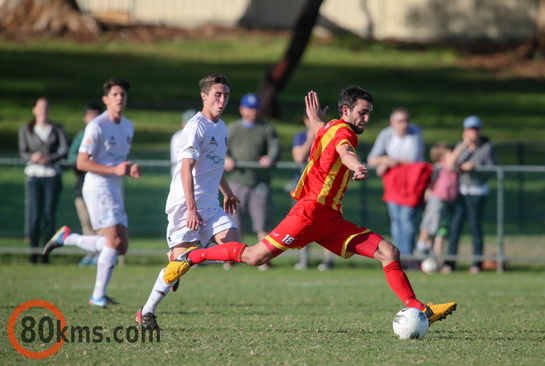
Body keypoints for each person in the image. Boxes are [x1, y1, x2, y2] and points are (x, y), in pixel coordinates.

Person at [164, 87, 457, 326]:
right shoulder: (344, 134)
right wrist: (357, 166)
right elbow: (345, 152)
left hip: (330, 219)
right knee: (254, 257)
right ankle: (192, 257)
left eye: (369, 113)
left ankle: (421, 309)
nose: (366, 118)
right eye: (362, 112)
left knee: (389, 252)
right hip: (309, 213)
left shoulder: (330, 127)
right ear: (346, 111)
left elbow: (322, 130)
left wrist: (315, 118)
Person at [135, 73, 241, 330]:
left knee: (233, 246)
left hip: (211, 204)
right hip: (185, 204)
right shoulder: (196, 126)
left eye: (226, 95)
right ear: (204, 96)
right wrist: (191, 209)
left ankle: (185, 256)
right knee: (181, 265)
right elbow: (186, 169)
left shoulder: (221, 126)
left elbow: (214, 167)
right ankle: (146, 311)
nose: (223, 100)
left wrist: (226, 192)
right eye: (218, 94)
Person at [43, 78, 141, 306]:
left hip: (113, 186)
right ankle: (98, 295)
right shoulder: (96, 125)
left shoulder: (128, 126)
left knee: (121, 245)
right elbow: (81, 162)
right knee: (113, 241)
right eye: (115, 95)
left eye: (122, 95)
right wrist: (114, 169)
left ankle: (67, 238)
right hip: (97, 187)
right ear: (106, 100)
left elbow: (118, 160)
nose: (119, 98)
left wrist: (128, 168)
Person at [223, 93, 281, 270]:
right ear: (242, 109)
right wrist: (226, 159)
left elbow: (275, 147)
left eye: (255, 108)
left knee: (262, 223)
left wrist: (269, 158)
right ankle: (232, 257)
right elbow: (220, 147)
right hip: (236, 182)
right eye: (249, 108)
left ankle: (263, 259)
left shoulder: (266, 128)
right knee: (235, 223)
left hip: (258, 183)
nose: (252, 112)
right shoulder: (232, 128)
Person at [367, 108, 425, 263]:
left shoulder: (415, 133)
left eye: (406, 121)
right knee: (396, 222)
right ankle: (398, 257)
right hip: (393, 185)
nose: (404, 125)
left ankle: (408, 257)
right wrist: (386, 160)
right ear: (392, 123)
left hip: (411, 185)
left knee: (407, 220)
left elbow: (412, 159)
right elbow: (372, 158)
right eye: (400, 121)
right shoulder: (386, 134)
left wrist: (390, 161)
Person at [18, 97, 69, 264]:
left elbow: (64, 150)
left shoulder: (56, 129)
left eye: (46, 107)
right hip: (34, 175)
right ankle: (33, 251)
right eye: (40, 107)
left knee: (49, 215)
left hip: (51, 175)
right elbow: (23, 151)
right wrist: (33, 157)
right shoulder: (26, 129)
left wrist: (50, 157)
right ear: (34, 110)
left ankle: (46, 253)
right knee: (34, 215)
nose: (43, 110)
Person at [442, 116, 495, 274]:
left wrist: (475, 166)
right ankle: (450, 263)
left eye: (476, 130)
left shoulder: (486, 147)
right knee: (455, 227)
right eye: (470, 130)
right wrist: (464, 145)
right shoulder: (461, 147)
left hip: (477, 192)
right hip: (461, 192)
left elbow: (491, 169)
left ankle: (476, 264)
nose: (473, 133)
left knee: (475, 227)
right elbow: (450, 165)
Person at [291, 113, 334, 271]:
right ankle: (304, 259)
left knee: (325, 224)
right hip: (303, 189)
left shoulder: (328, 136)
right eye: (309, 119)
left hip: (322, 189)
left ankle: (328, 260)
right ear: (305, 120)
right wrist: (311, 137)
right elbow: (299, 157)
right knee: (302, 225)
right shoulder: (301, 137)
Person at [415, 142, 463, 266]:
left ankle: (437, 258)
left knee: (441, 230)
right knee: (430, 224)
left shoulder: (453, 165)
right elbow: (451, 161)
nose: (453, 155)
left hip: (449, 201)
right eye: (449, 153)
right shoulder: (443, 165)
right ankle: (420, 247)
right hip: (437, 199)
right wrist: (463, 144)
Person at [68, 103, 103, 266]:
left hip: (102, 188)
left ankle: (101, 254)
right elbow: (73, 158)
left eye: (97, 115)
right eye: (90, 115)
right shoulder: (82, 137)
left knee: (103, 225)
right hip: (84, 186)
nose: (93, 119)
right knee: (87, 223)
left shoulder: (105, 134)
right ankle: (89, 251)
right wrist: (89, 163)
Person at [170, 108, 197, 177]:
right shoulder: (178, 137)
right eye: (188, 123)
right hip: (181, 176)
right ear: (183, 124)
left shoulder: (199, 135)